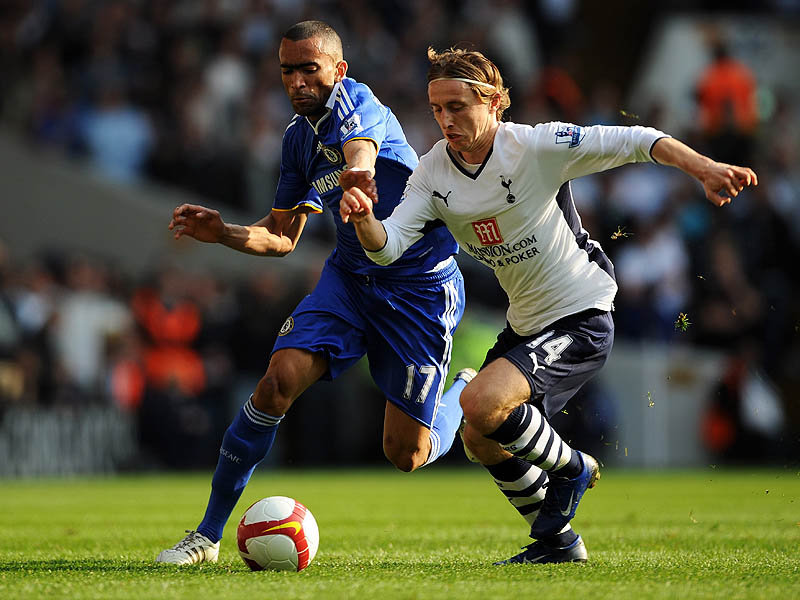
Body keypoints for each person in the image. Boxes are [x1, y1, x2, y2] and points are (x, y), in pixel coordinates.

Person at [340, 47, 757, 564]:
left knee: (479, 403)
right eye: (437, 109)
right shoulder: (432, 174)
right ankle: (558, 542)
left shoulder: (536, 145)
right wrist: (363, 220)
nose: (446, 119)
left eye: (457, 106)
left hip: (581, 311)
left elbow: (638, 140)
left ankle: (573, 468)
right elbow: (389, 246)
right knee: (479, 437)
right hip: (528, 323)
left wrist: (705, 167)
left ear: (493, 102)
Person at [156, 21, 469, 565]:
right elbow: (282, 236)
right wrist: (223, 232)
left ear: (338, 70)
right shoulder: (298, 140)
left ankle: (462, 394)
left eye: (309, 69)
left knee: (406, 453)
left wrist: (358, 177)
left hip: (418, 288)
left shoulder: (360, 104)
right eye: (287, 71)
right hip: (349, 280)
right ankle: (205, 535)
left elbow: (361, 152)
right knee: (276, 383)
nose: (297, 81)